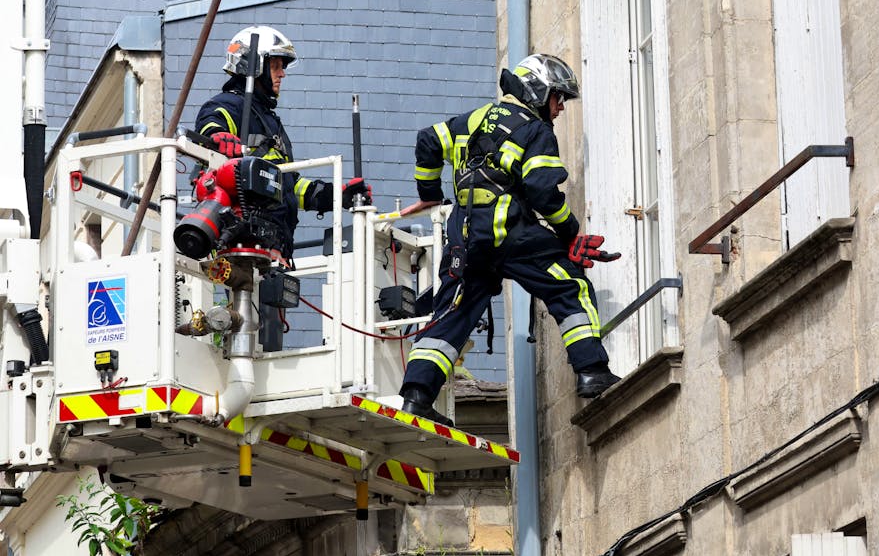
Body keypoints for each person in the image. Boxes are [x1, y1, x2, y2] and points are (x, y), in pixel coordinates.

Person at [396, 54, 622, 426]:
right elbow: (541, 190)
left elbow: (428, 141)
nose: (560, 107)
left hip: (464, 239)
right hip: (510, 234)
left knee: (453, 313)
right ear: (537, 91)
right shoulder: (536, 131)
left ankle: (417, 397)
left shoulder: (474, 119)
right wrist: (568, 233)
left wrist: (430, 192)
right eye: (557, 97)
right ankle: (592, 371)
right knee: (569, 285)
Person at [194, 25, 368, 349]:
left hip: (272, 253)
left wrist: (338, 196)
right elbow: (210, 126)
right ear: (253, 66)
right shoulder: (229, 107)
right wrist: (219, 139)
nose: (282, 74)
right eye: (276, 65)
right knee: (232, 340)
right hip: (237, 250)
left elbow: (289, 185)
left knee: (266, 344)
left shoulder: (271, 123)